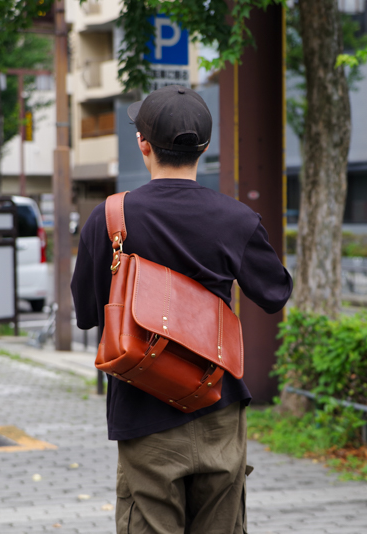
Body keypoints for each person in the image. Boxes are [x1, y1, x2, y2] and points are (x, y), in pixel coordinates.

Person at [70, 84, 292, 534]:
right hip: (219, 407)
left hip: (142, 411)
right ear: (205, 148)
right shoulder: (236, 219)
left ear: (143, 145)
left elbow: (88, 313)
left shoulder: (111, 217)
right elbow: (275, 293)